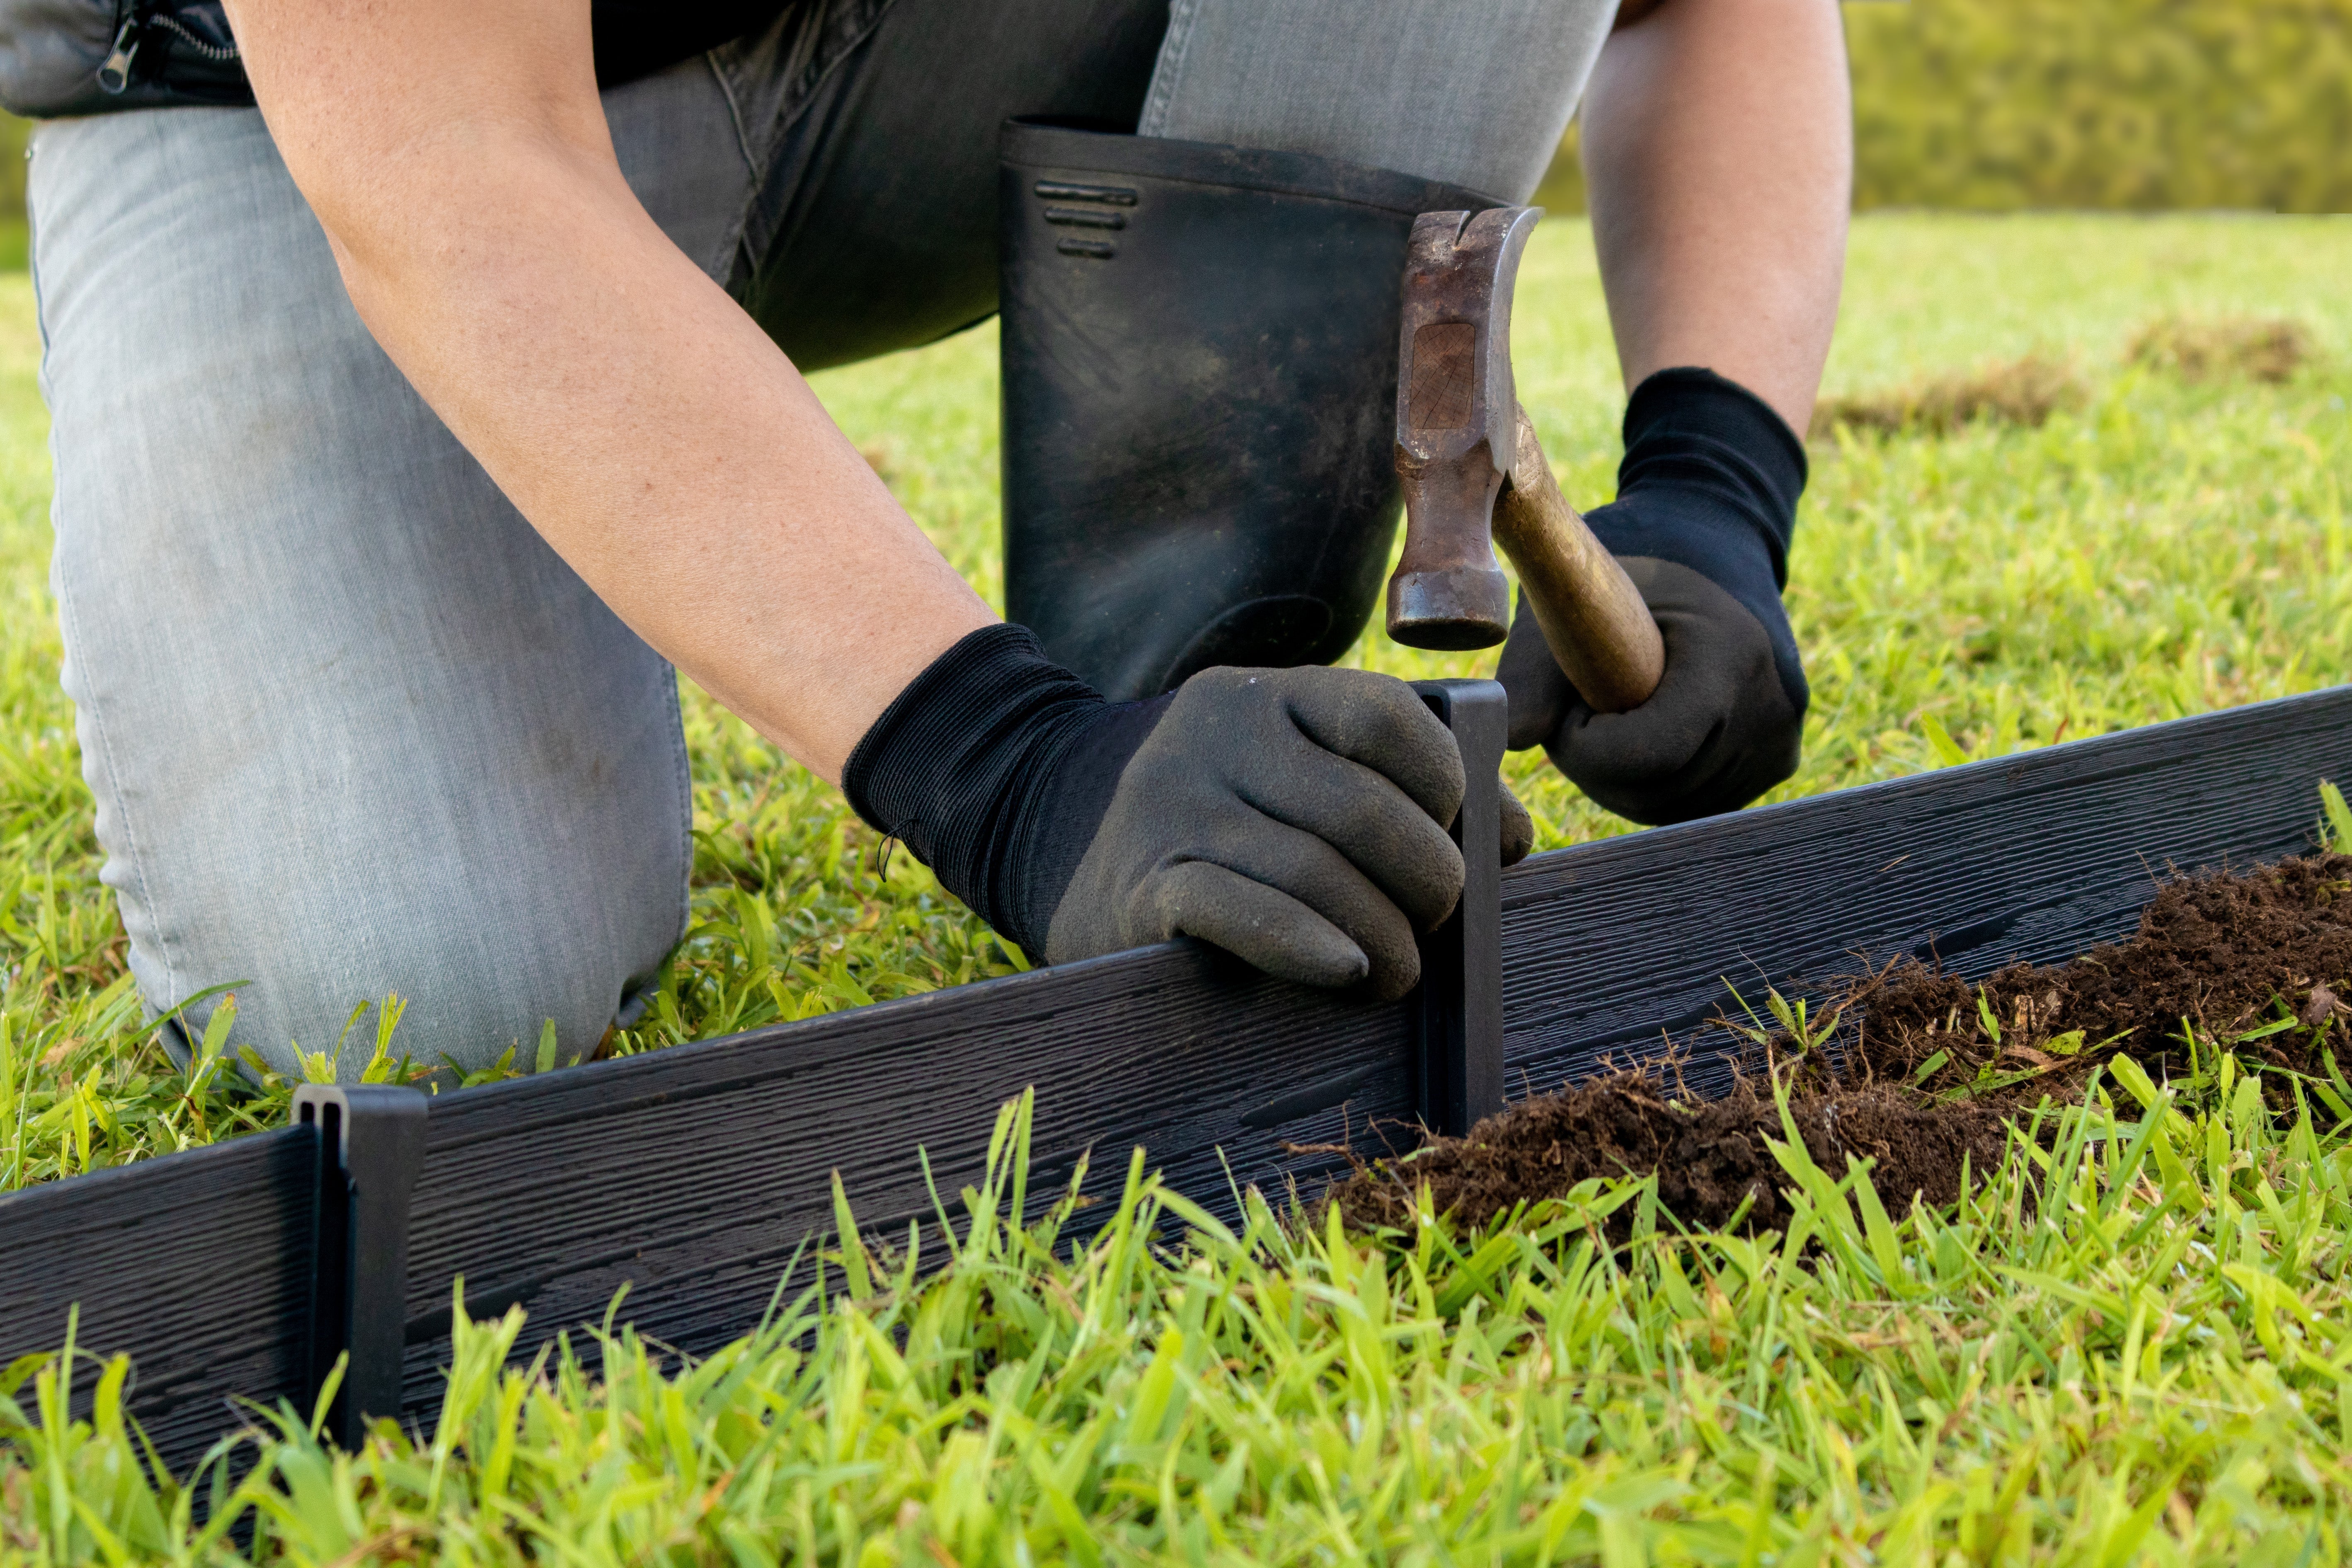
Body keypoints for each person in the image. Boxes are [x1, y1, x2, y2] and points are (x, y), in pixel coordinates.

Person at [1, 0, 1850, 1078]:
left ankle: (1196, 696)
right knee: (404, 1000)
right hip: (316, 113)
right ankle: (1095, 775)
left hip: (934, 49)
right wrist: (1006, 768)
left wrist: (1713, 477)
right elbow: (443, 161)